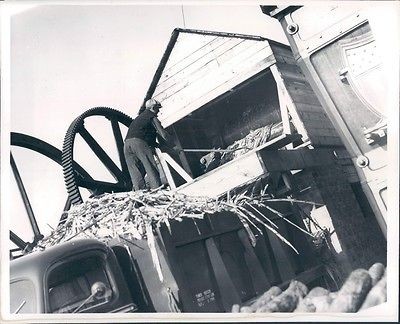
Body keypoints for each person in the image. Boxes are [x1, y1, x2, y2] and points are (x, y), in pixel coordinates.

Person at [124, 98, 180, 191]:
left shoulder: (139, 118)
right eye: (158, 109)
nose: (159, 111)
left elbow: (149, 140)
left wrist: (161, 146)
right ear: (153, 108)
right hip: (139, 143)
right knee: (151, 167)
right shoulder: (152, 117)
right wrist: (173, 146)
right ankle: (157, 191)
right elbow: (163, 134)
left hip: (127, 145)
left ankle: (140, 195)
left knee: (135, 173)